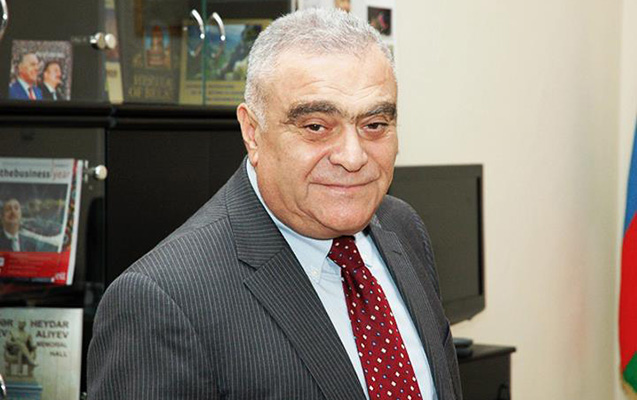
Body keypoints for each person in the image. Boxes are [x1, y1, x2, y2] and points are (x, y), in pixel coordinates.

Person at [87, 8, 462, 400]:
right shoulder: (160, 301)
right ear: (252, 132)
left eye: (375, 125)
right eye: (316, 127)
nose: (352, 157)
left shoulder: (403, 227)